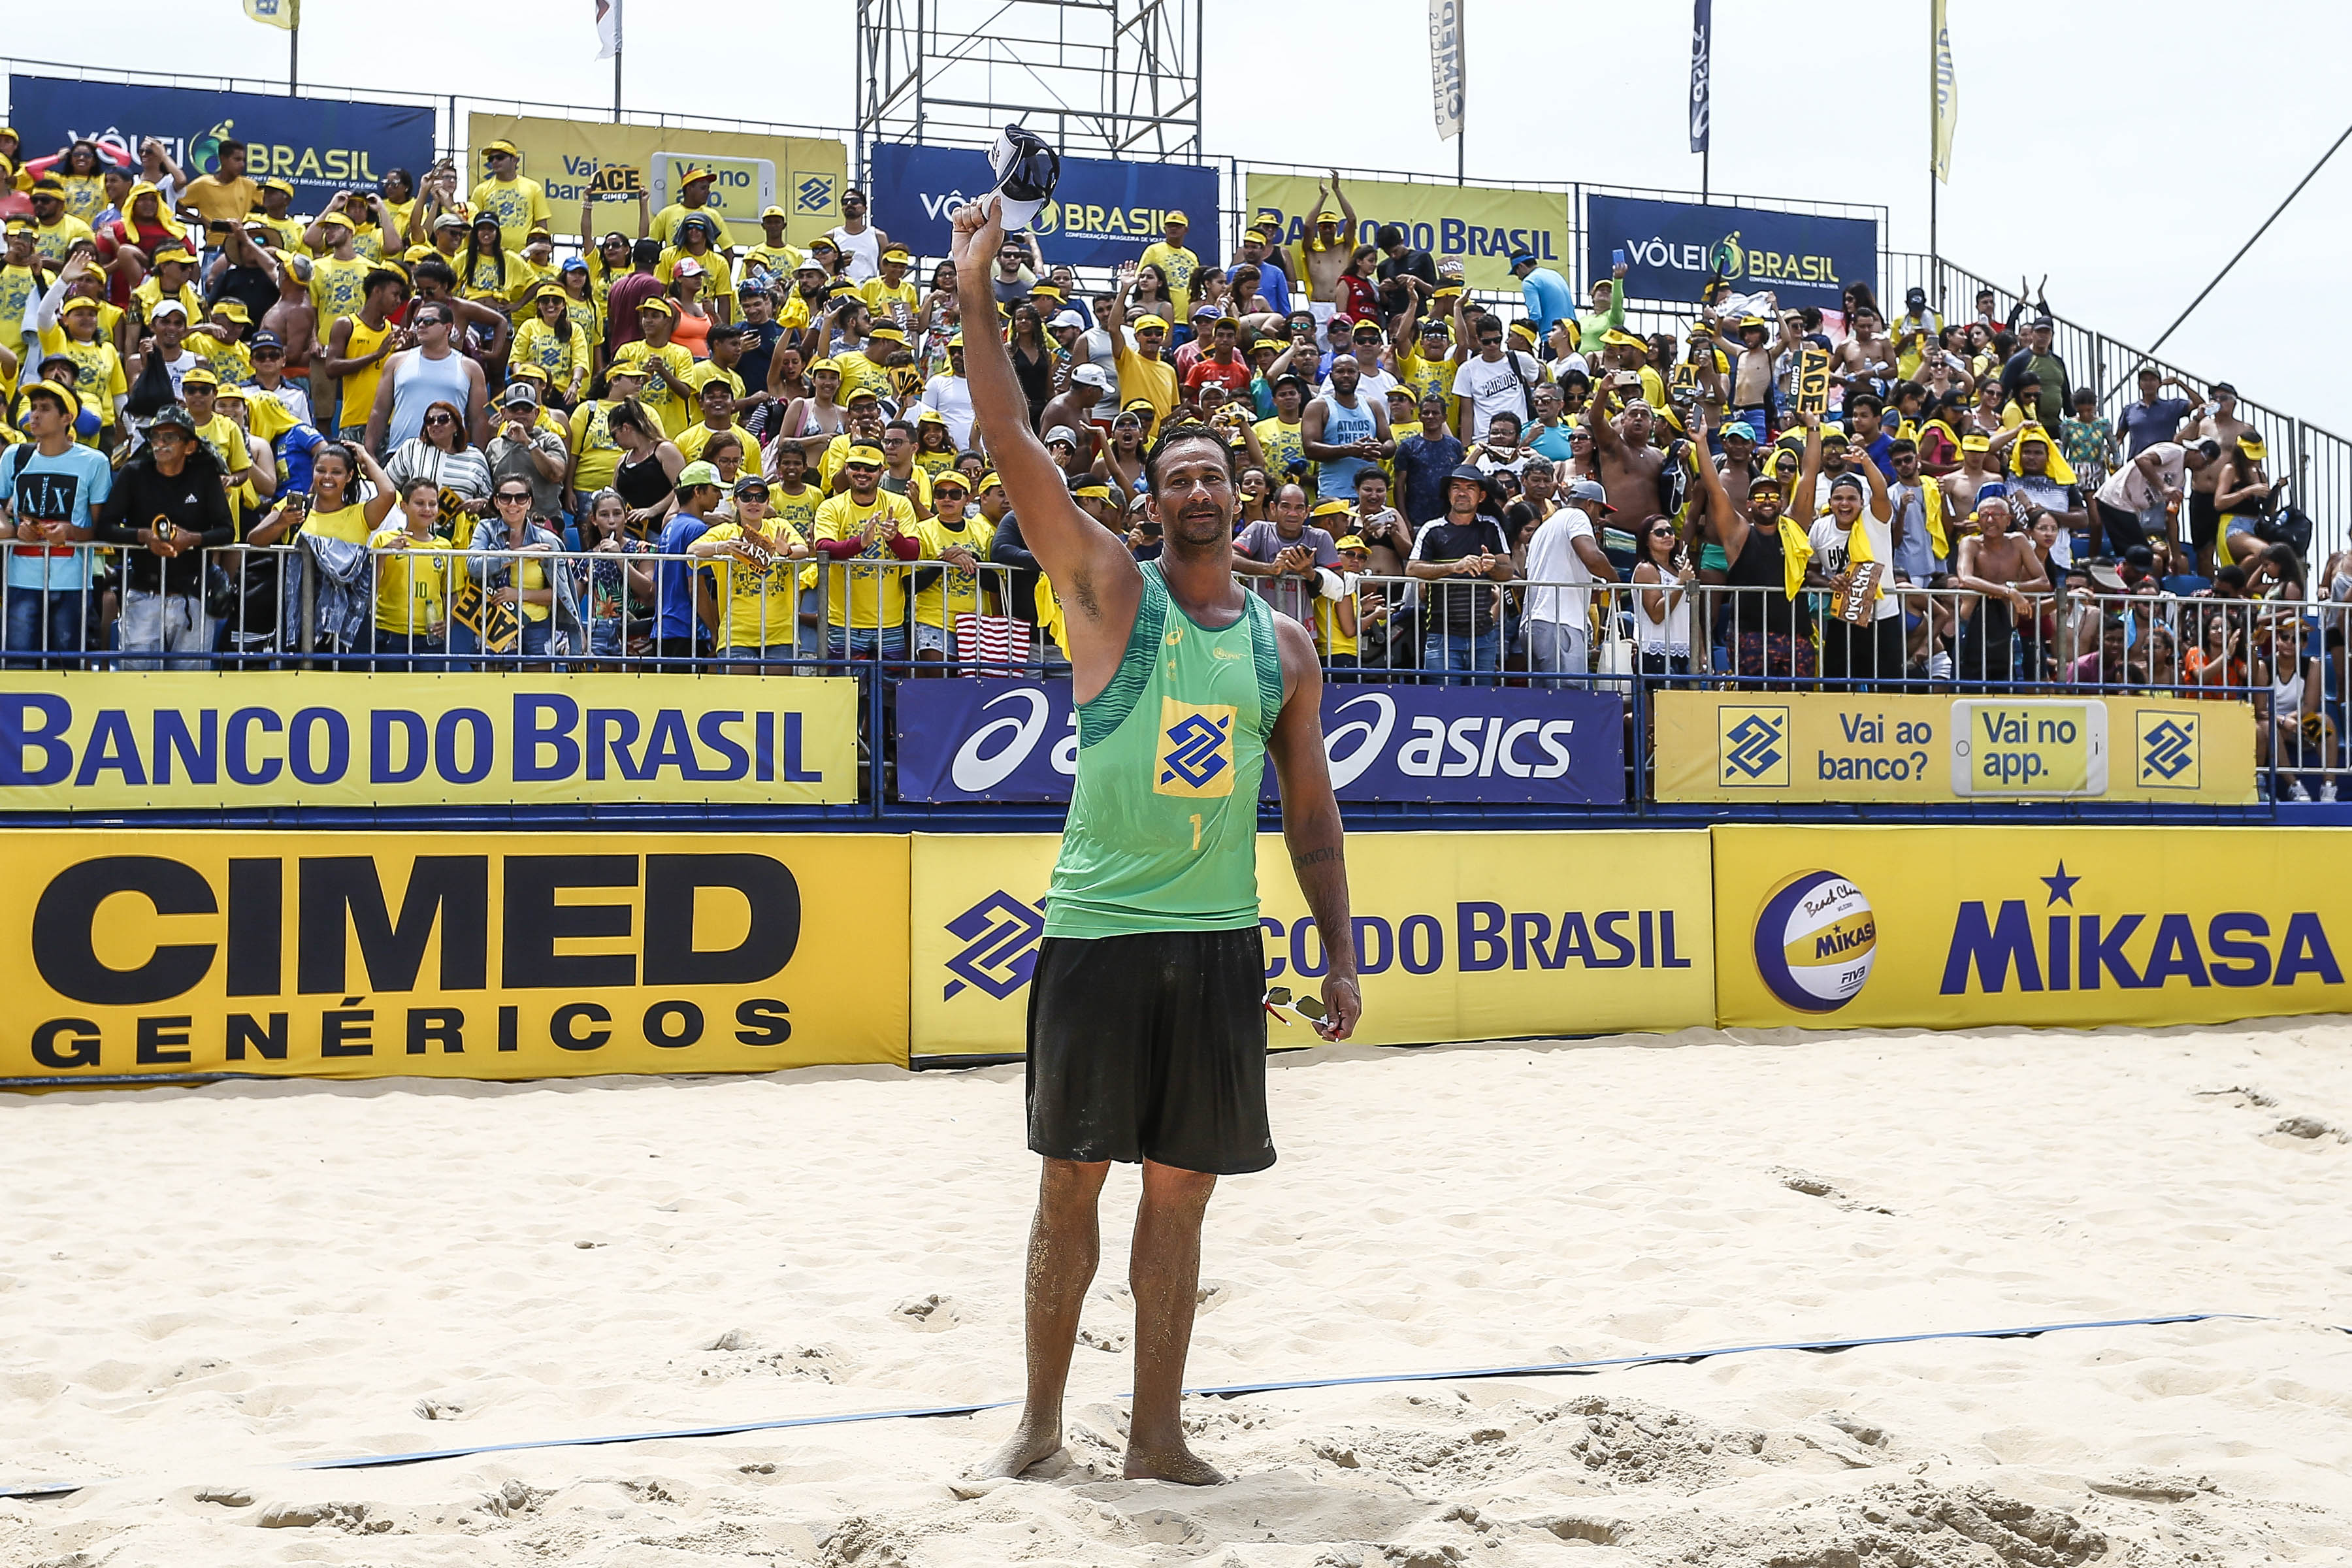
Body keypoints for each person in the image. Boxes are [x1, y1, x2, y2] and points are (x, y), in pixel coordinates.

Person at [951, 191, 1356, 1490]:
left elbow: (1311, 817)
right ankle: (1040, 1424)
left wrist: (1338, 954)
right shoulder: (1108, 593)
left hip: (1218, 943)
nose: (1195, 489)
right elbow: (1011, 435)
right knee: (1071, 1188)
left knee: (1180, 1196)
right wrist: (974, 291)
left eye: (1213, 476)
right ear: (1154, 494)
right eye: (1176, 475)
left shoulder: (1280, 646)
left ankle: (1157, 1433)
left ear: (1240, 502)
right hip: (1100, 935)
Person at [97, 408, 235, 670]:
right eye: (156, 437)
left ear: (190, 446)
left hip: (193, 596)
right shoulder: (133, 473)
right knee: (137, 682)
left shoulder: (204, 475)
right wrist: (144, 536)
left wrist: (191, 539)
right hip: (142, 594)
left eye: (170, 437)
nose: (160, 443)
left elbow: (227, 530)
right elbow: (106, 527)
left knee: (189, 686)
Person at [2, 381, 111, 665]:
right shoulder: (14, 456)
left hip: (72, 584)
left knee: (68, 667)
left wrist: (71, 532)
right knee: (18, 665)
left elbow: (101, 528)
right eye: (33, 408)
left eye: (45, 409)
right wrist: (13, 529)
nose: (34, 416)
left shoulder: (94, 462)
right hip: (20, 581)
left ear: (67, 418)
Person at [1408, 465, 1517, 682]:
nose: (1462, 492)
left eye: (1470, 488)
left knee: (1483, 704)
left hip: (1484, 636)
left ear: (1482, 496)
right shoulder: (1432, 529)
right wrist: (1453, 567)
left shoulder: (1492, 527)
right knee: (1443, 702)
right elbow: (1412, 569)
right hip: (1442, 635)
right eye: (1456, 487)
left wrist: (1492, 567)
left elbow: (1507, 572)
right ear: (1449, 494)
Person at [1952, 494, 2048, 687]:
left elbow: (2044, 582)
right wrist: (2009, 592)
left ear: (2008, 520)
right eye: (1984, 515)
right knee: (1966, 689)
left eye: (1996, 515)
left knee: (2010, 688)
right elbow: (1965, 579)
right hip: (1970, 627)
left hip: (2008, 628)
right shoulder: (1970, 543)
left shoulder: (2018, 541)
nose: (1990, 520)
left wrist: (2013, 587)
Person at [367, 300, 488, 452]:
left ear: (447, 327)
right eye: (418, 321)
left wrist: (480, 458)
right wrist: (369, 451)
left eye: (429, 321)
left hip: (451, 454)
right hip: (401, 453)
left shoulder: (470, 368)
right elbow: (380, 411)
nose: (421, 325)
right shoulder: (396, 361)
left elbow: (479, 419)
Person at [826, 187, 887, 282]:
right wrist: (838, 264)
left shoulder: (879, 236)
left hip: (868, 292)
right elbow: (823, 269)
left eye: (855, 202)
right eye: (845, 202)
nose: (849, 204)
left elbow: (885, 272)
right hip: (839, 291)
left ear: (865, 209)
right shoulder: (831, 237)